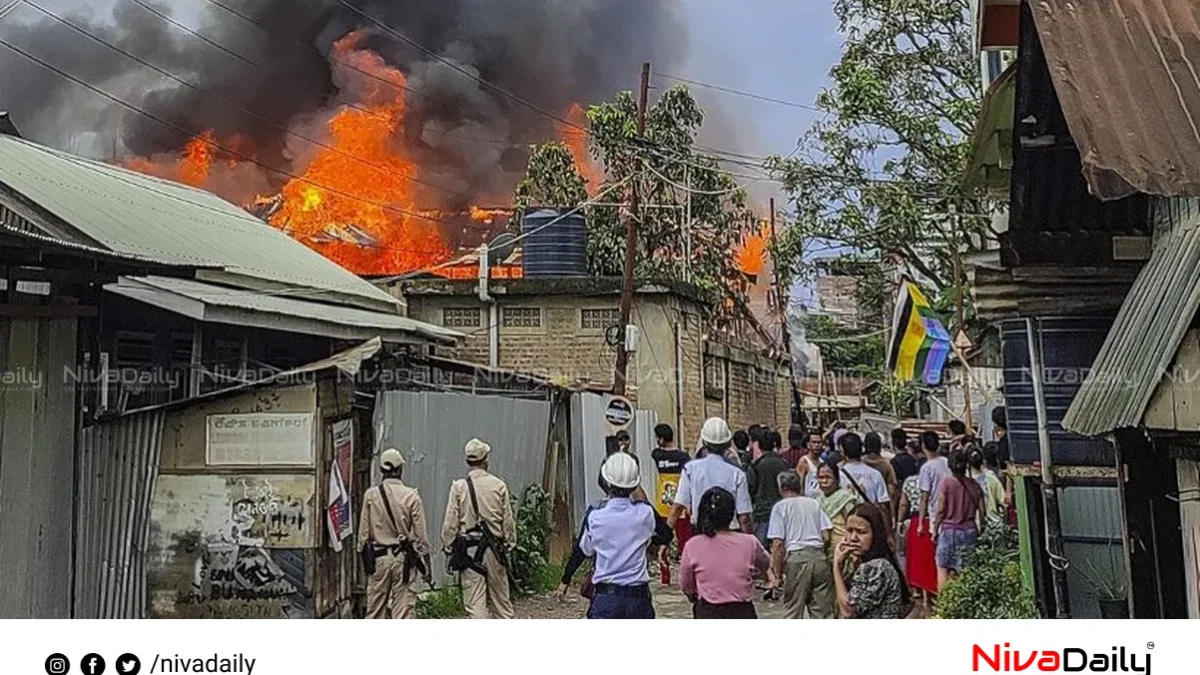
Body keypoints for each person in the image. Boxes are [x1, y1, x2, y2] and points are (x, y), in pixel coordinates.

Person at [581, 453, 668, 619]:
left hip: (606, 598)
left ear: (606, 481)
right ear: (635, 483)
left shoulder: (595, 517)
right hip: (638, 599)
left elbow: (586, 550)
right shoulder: (645, 514)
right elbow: (662, 533)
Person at [441, 438, 516, 619]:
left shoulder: (459, 487)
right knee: (502, 605)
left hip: (469, 551)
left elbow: (450, 523)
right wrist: (510, 545)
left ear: (468, 461)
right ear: (485, 460)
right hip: (495, 550)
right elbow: (508, 522)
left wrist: (448, 548)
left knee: (476, 606)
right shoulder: (498, 485)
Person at [358, 448, 432, 619]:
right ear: (400, 469)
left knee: (375, 612)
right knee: (403, 612)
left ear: (382, 470)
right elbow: (421, 537)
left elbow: (363, 536)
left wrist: (366, 565)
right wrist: (426, 567)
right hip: (403, 560)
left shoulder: (370, 495)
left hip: (378, 559)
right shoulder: (411, 496)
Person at [680, 487, 770, 619]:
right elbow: (766, 563)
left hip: (708, 610)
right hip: (742, 610)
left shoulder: (693, 545)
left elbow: (685, 583)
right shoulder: (749, 542)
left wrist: (693, 594)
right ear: (731, 513)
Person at [767, 470, 834, 619]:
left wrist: (777, 575)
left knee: (793, 610)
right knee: (822, 613)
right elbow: (826, 535)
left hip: (797, 558)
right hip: (819, 558)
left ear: (781, 488)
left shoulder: (780, 507)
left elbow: (778, 544)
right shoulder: (814, 504)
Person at [669, 417, 754, 534]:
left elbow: (678, 507)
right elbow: (744, 517)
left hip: (700, 532)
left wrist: (665, 537)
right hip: (730, 533)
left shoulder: (690, 470)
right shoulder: (737, 475)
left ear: (703, 442)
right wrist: (749, 540)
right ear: (728, 443)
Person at [833, 504, 909, 619]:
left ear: (875, 534)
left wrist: (836, 567)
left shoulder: (876, 567)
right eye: (849, 531)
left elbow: (848, 611)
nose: (853, 538)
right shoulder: (868, 563)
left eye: (861, 532)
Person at [933, 450, 984, 590]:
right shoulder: (974, 485)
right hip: (969, 531)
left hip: (949, 531)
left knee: (943, 568)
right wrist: (981, 530)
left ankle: (945, 604)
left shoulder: (946, 483)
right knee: (967, 571)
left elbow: (941, 510)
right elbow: (982, 512)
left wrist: (935, 529)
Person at [907, 430, 947, 600]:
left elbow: (924, 496)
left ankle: (939, 594)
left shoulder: (926, 468)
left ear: (923, 447)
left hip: (934, 515)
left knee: (939, 559)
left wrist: (922, 523)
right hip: (951, 513)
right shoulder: (946, 462)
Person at [838, 432, 892, 531]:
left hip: (846, 527)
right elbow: (883, 506)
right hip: (871, 526)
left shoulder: (838, 476)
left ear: (842, 452)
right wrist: (888, 532)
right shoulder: (875, 474)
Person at [651, 423, 693, 550]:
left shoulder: (657, 455)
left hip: (662, 505)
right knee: (684, 542)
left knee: (664, 542)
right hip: (681, 505)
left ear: (662, 439)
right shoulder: (684, 457)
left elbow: (656, 452)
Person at [747, 428, 791, 545]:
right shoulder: (784, 464)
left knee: (760, 549)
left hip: (762, 513)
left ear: (760, 446)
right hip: (782, 512)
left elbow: (751, 489)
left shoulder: (756, 466)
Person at [816, 462, 859, 553]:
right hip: (826, 550)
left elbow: (853, 523)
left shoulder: (845, 499)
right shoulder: (818, 501)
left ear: (837, 479)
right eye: (821, 477)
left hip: (844, 548)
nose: (824, 481)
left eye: (828, 477)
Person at [862, 431, 899, 518]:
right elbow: (892, 492)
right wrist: (892, 515)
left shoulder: (859, 463)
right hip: (879, 510)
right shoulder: (886, 465)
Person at [971, 445, 1005, 528]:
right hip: (995, 524)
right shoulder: (991, 477)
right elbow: (1003, 501)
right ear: (983, 461)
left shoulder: (967, 481)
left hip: (974, 525)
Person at [794, 428, 825, 498]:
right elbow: (799, 484)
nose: (816, 445)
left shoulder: (822, 461)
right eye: (814, 442)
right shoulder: (804, 461)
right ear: (808, 444)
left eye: (819, 442)